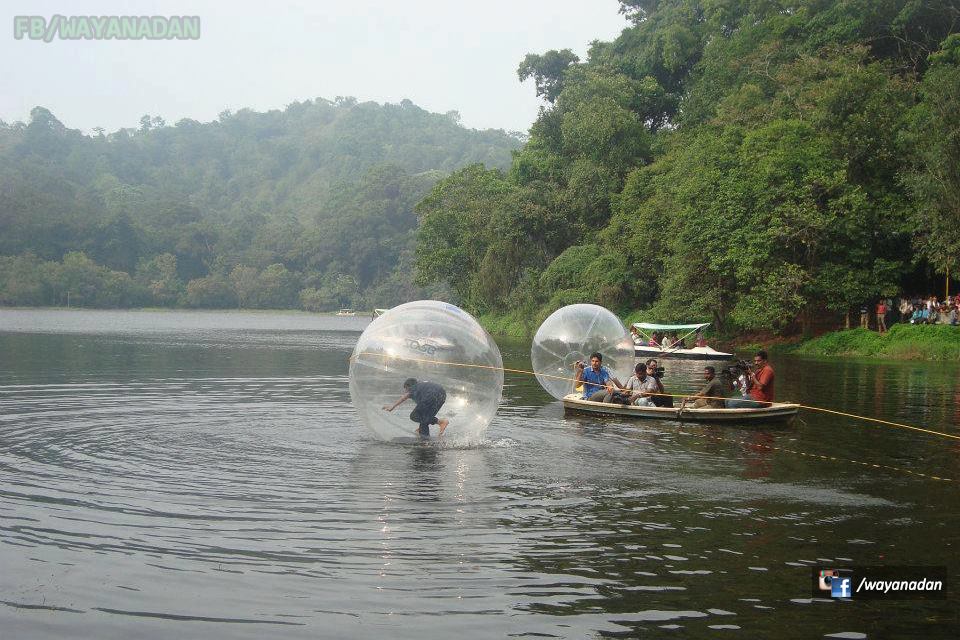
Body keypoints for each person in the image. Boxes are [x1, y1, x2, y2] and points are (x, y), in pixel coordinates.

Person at [383, 378, 449, 437]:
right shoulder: (422, 386)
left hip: (430, 395)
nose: (406, 391)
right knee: (424, 417)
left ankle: (427, 439)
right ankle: (425, 434)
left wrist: (392, 407)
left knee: (414, 416)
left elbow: (405, 397)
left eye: (406, 388)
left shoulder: (414, 387)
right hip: (442, 395)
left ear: (409, 386)